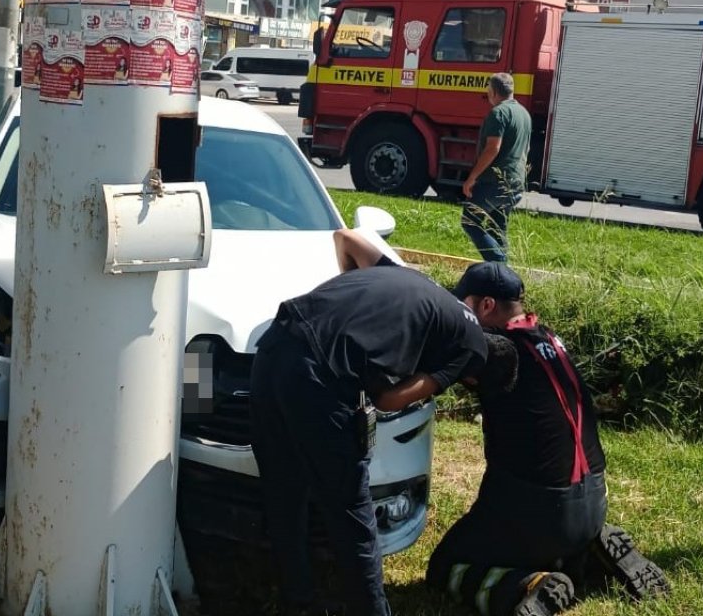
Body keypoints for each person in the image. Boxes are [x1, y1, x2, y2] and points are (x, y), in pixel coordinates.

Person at [250, 232, 492, 616]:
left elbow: (345, 239)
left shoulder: (412, 277)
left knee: (285, 488)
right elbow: (388, 399)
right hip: (320, 376)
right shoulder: (474, 348)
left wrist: (348, 303)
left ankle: (296, 598)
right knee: (351, 511)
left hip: (276, 343)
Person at [427, 262, 670, 616]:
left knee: (445, 566)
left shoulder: (497, 351)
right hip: (594, 500)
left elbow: (443, 350)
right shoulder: (549, 339)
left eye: (463, 307)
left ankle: (525, 586)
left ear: (486, 307)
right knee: (546, 535)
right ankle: (583, 554)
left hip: (537, 511)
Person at [461, 72, 531, 263]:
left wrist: (472, 177)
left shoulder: (498, 113)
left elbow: (493, 148)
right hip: (515, 182)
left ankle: (498, 264)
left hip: (494, 182)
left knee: (469, 219)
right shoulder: (523, 114)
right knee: (497, 226)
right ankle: (502, 273)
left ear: (492, 91)